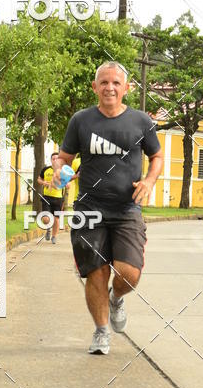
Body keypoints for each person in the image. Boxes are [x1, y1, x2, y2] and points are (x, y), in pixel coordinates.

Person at [55, 61, 164, 355]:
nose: (110, 87)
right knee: (96, 272)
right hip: (90, 209)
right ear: (95, 87)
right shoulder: (81, 121)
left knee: (129, 272)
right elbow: (63, 157)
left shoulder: (141, 122)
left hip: (127, 209)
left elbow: (157, 157)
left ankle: (117, 298)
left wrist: (150, 182)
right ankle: (101, 331)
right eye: (104, 82)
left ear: (126, 88)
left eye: (116, 83)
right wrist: (58, 169)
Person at [37, 152, 64, 244]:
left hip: (58, 198)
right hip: (47, 197)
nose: (55, 160)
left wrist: (56, 184)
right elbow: (39, 179)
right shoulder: (45, 169)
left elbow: (66, 184)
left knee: (56, 219)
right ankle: (48, 228)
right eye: (53, 159)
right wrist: (44, 183)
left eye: (57, 158)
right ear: (51, 160)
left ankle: (54, 236)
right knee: (45, 219)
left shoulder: (62, 171)